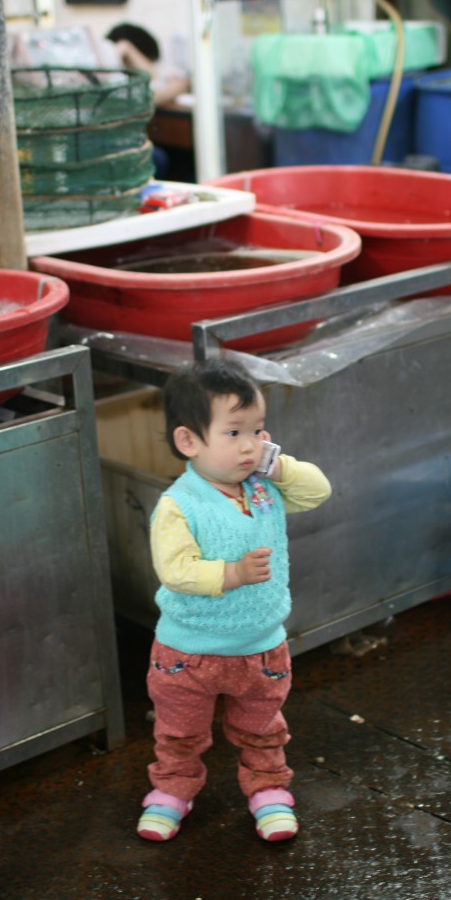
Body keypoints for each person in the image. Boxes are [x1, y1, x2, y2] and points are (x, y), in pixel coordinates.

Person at [138, 357, 331, 843]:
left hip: (261, 648)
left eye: (259, 430)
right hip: (188, 654)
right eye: (233, 432)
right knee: (179, 732)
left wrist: (278, 462)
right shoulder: (179, 504)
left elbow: (318, 491)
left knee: (264, 728)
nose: (251, 445)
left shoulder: (266, 487)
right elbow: (176, 570)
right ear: (189, 441)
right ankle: (172, 790)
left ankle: (268, 789)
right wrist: (232, 574)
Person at [106, 22, 189, 107]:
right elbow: (155, 87)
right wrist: (177, 87)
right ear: (128, 60)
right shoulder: (111, 81)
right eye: (147, 63)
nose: (150, 67)